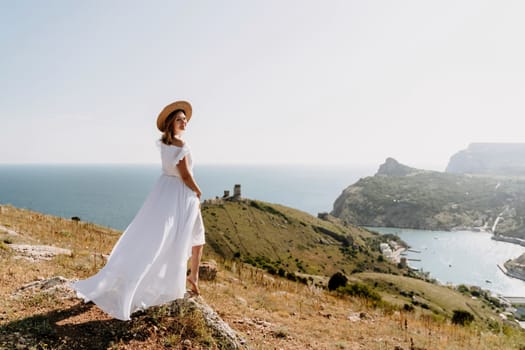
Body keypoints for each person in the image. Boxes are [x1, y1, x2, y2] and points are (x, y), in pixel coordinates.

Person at [72, 100, 205, 321]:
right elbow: (186, 175)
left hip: (164, 191)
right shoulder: (182, 146)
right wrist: (198, 191)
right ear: (172, 122)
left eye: (185, 119)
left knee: (172, 237)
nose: (184, 122)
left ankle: (191, 277)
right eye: (180, 119)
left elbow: (171, 170)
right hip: (182, 194)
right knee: (192, 237)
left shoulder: (164, 144)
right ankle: (192, 277)